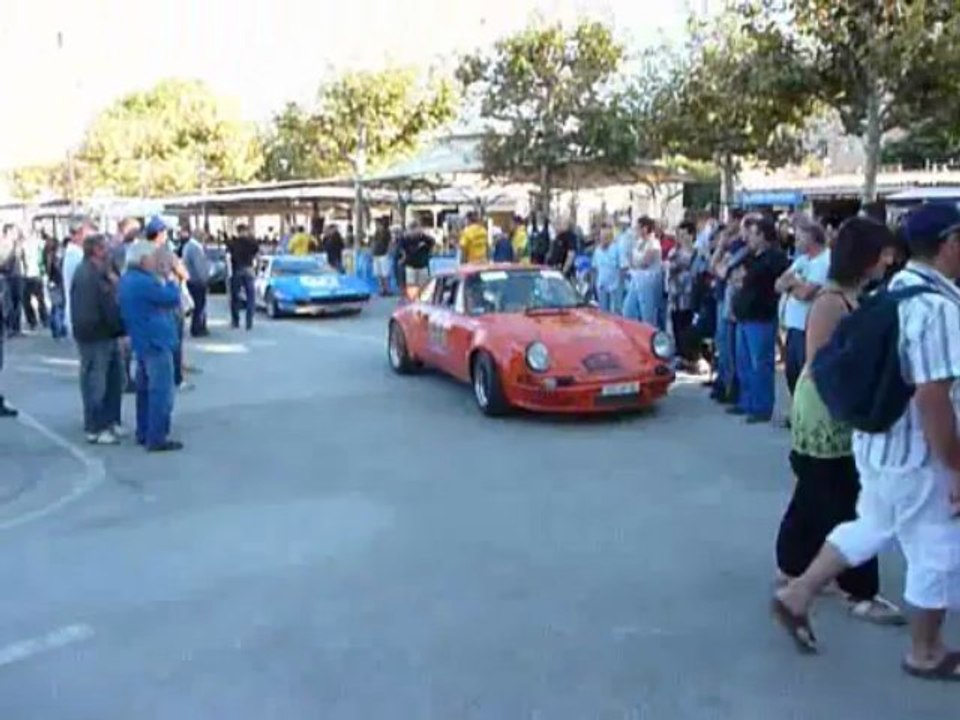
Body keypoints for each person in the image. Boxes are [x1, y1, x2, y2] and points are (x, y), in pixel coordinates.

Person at [773, 205, 960, 679]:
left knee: (872, 524)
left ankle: (798, 593)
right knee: (935, 546)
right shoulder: (935, 307)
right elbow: (933, 394)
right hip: (916, 454)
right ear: (949, 242)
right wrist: (956, 466)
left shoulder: (894, 291)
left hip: (879, 444)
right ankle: (926, 650)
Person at [775, 217, 904, 626]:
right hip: (828, 409)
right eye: (883, 253)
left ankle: (795, 566)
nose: (888, 261)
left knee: (817, 494)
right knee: (846, 498)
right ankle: (857, 589)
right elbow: (819, 363)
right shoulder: (832, 301)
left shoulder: (854, 296)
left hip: (837, 406)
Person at [118, 241, 184, 453]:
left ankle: (144, 430)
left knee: (145, 390)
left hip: (142, 339)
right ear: (144, 260)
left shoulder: (128, 280)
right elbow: (172, 298)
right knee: (160, 391)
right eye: (153, 258)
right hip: (155, 340)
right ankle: (156, 436)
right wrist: (171, 278)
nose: (156, 262)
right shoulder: (145, 282)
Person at [729, 215, 789, 424]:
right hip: (744, 315)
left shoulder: (775, 257)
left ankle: (762, 407)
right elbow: (734, 275)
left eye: (753, 234)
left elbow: (777, 280)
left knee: (760, 363)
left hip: (761, 316)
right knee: (744, 362)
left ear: (763, 236)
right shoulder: (750, 256)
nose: (749, 239)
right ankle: (747, 402)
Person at [70, 234, 126, 445]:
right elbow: (96, 307)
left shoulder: (100, 271)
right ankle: (95, 426)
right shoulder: (87, 273)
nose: (109, 250)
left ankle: (110, 420)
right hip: (95, 335)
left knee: (114, 379)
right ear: (95, 250)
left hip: (106, 333)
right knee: (96, 381)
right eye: (105, 247)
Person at [775, 220, 830, 396]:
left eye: (799, 237)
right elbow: (779, 283)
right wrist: (795, 285)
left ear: (811, 237)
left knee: (804, 375)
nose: (795, 241)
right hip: (793, 326)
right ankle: (796, 413)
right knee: (791, 373)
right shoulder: (801, 260)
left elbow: (806, 294)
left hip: (808, 327)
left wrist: (793, 284)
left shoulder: (824, 261)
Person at [622, 217, 663, 326]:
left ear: (645, 228)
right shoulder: (638, 242)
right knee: (628, 310)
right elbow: (631, 258)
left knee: (647, 313)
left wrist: (634, 263)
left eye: (638, 228)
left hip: (648, 281)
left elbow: (645, 262)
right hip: (636, 280)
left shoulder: (654, 243)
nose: (636, 230)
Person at [667, 221, 697, 366]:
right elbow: (670, 266)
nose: (680, 237)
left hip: (688, 293)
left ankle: (687, 355)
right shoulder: (674, 251)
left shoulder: (695, 251)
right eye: (679, 234)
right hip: (675, 293)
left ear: (691, 235)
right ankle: (679, 353)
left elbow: (688, 265)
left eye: (684, 234)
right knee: (676, 323)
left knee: (686, 323)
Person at [63, 215, 92, 340]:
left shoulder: (78, 254)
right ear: (80, 233)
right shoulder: (76, 257)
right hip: (83, 316)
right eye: (89, 230)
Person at [227, 224, 259, 330]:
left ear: (237, 231)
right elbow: (256, 251)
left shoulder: (233, 242)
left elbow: (228, 254)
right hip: (249, 270)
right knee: (251, 297)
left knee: (235, 297)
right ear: (246, 231)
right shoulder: (251, 242)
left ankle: (235, 321)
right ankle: (249, 322)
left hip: (237, 270)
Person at [180, 224, 210, 337]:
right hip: (197, 281)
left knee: (197, 305)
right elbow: (199, 266)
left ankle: (197, 326)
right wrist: (205, 279)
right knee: (199, 305)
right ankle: (197, 328)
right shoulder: (195, 248)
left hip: (191, 279)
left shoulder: (188, 246)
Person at [591, 221, 622, 313]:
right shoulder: (597, 251)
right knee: (603, 312)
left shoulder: (616, 249)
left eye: (606, 237)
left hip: (615, 286)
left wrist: (620, 283)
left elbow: (622, 267)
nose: (603, 239)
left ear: (611, 238)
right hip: (601, 285)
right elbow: (595, 268)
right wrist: (594, 284)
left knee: (615, 311)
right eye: (602, 237)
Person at [19, 230, 46, 331]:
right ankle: (34, 320)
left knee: (39, 299)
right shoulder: (24, 246)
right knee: (28, 300)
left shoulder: (38, 245)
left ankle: (41, 319)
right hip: (27, 275)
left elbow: (42, 259)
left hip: (34, 274)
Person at [43, 233, 67, 340]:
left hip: (52, 281)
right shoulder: (55, 257)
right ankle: (59, 329)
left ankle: (55, 328)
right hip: (57, 281)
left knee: (55, 306)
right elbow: (56, 269)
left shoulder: (47, 254)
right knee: (58, 306)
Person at [399, 221, 435, 289]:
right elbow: (401, 248)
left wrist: (423, 235)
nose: (415, 231)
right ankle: (412, 298)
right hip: (410, 266)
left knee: (423, 286)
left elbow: (432, 242)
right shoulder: (406, 239)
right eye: (412, 229)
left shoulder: (424, 238)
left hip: (422, 266)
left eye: (417, 229)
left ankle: (421, 298)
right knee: (411, 286)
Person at [371, 217, 392, 296]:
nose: (376, 225)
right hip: (376, 254)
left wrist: (388, 251)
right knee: (378, 273)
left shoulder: (386, 232)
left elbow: (389, 242)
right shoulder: (376, 232)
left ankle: (387, 289)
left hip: (383, 254)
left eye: (377, 224)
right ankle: (382, 289)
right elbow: (374, 242)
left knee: (385, 273)